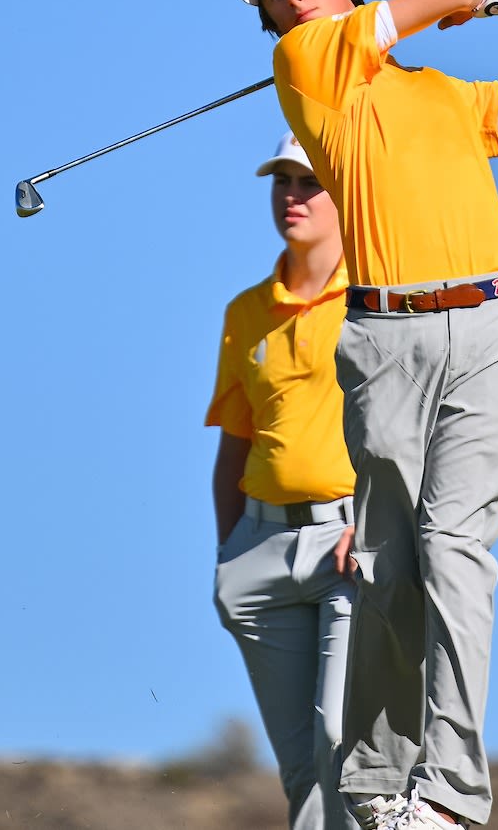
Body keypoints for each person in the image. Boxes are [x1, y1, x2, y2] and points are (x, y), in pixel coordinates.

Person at [236, 0, 498, 830]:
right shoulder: (307, 62)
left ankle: (447, 796)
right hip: (387, 342)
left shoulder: (449, 95)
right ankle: (373, 783)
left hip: (493, 326)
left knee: (454, 552)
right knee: (392, 571)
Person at [205, 130, 358, 830]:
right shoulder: (245, 311)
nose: (292, 197)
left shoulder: (377, 294)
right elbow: (234, 451)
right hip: (260, 553)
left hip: (349, 546)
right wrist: (228, 553)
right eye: (281, 183)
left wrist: (382, 525)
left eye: (308, 182)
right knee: (302, 772)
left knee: (346, 751)